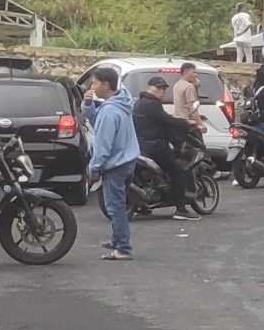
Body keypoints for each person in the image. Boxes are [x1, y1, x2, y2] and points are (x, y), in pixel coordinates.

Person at [85, 70, 139, 260]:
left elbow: (103, 145)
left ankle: (122, 248)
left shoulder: (110, 111)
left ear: (106, 85)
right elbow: (95, 120)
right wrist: (88, 104)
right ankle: (118, 239)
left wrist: (94, 168)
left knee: (115, 207)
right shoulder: (121, 102)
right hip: (128, 159)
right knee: (119, 204)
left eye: (95, 83)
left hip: (116, 164)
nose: (92, 87)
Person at [135, 76, 198, 220]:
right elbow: (166, 120)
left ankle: (144, 205)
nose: (161, 91)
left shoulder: (139, 103)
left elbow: (162, 118)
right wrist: (186, 123)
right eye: (158, 88)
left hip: (141, 146)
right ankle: (181, 209)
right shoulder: (152, 103)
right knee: (177, 171)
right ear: (149, 87)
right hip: (156, 146)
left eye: (163, 88)